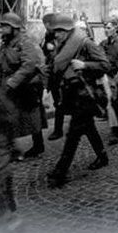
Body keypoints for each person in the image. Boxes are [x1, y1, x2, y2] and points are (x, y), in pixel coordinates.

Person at [45, 13, 111, 188]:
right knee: (88, 128)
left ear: (67, 31)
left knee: (73, 135)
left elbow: (105, 65)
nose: (56, 35)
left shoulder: (85, 43)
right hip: (73, 95)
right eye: (55, 32)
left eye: (58, 31)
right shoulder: (64, 46)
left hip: (86, 96)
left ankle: (60, 172)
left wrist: (85, 66)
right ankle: (103, 157)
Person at [0, 12, 47, 161]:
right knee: (7, 117)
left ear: (15, 28)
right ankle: (13, 149)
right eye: (2, 26)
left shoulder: (25, 42)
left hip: (23, 86)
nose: (2, 29)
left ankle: (37, 146)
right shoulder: (6, 43)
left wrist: (13, 82)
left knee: (31, 116)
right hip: (8, 85)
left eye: (5, 26)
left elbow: (29, 65)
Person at [42, 13, 65, 141]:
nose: (46, 28)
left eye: (47, 25)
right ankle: (58, 129)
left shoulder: (61, 35)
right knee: (58, 102)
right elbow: (44, 51)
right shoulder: (47, 36)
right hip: (52, 73)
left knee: (61, 102)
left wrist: (54, 48)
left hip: (61, 73)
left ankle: (58, 130)